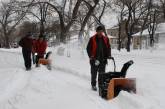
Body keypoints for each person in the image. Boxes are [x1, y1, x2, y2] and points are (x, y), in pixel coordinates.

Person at [86, 26, 113, 91]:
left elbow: (108, 47)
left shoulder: (106, 39)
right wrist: (91, 56)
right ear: (97, 32)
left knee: (102, 73)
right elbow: (88, 48)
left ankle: (100, 85)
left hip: (103, 59)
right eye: (99, 31)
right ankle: (93, 85)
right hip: (94, 59)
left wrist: (109, 55)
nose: (101, 33)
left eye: (102, 31)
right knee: (94, 73)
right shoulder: (92, 39)